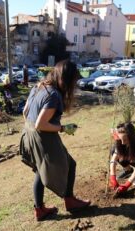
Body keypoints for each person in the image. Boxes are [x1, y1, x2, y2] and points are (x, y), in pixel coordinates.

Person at [20, 59, 90, 221]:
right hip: (42, 136)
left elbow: (25, 112)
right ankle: (70, 201)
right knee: (69, 164)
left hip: (29, 133)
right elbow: (41, 124)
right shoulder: (54, 95)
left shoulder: (39, 87)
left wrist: (33, 131)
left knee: (40, 169)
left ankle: (40, 210)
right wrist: (64, 128)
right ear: (66, 79)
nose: (74, 84)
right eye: (73, 81)